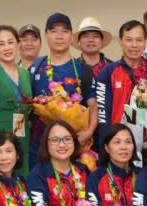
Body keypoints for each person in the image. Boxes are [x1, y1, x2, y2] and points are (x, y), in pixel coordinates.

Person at [31, 13, 98, 155]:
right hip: (39, 146)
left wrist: (89, 131)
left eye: (64, 31)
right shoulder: (35, 67)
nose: (59, 36)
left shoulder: (83, 69)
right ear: (46, 35)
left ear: (71, 36)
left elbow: (93, 105)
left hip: (73, 144)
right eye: (53, 31)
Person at [0, 25, 33, 176]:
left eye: (10, 42)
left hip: (22, 134)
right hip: (0, 137)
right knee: (2, 178)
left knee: (22, 177)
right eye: (1, 44)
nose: (7, 48)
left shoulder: (25, 74)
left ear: (18, 44)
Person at [96, 20, 147, 143]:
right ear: (120, 42)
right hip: (117, 142)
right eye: (129, 40)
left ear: (145, 42)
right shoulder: (108, 72)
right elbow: (103, 115)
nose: (134, 45)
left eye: (139, 40)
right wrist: (106, 145)